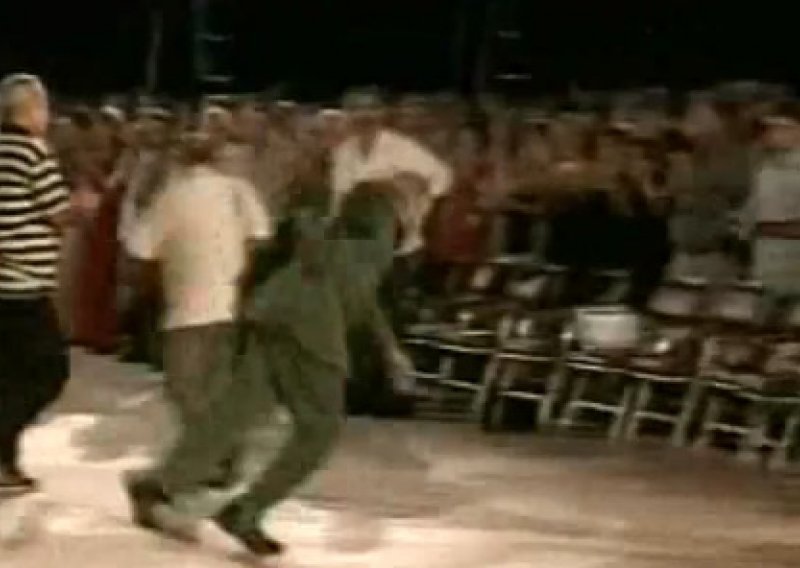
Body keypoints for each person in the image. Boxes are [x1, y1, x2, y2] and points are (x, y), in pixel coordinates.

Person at [123, 181, 412, 558]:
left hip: (276, 313)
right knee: (319, 429)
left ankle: (162, 485)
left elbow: (357, 292)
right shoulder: (372, 243)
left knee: (237, 412)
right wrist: (390, 351)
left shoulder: (341, 240)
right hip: (310, 330)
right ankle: (246, 510)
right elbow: (349, 283)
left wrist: (390, 350)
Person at [125, 130, 271, 484]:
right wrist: (236, 269)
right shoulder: (238, 190)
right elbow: (261, 235)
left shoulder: (172, 195)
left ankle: (216, 453)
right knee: (217, 385)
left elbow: (139, 248)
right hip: (230, 301)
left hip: (188, 306)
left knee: (183, 386)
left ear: (179, 160)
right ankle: (225, 456)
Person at [0, 74, 72, 492]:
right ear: (29, 110)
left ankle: (5, 465)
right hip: (22, 284)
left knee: (9, 376)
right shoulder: (32, 151)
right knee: (48, 372)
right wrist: (80, 207)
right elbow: (57, 211)